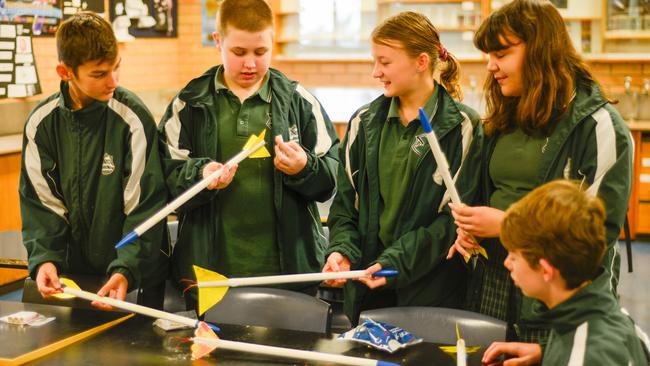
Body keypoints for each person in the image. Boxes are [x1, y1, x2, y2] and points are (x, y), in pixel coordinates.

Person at [449, 0, 633, 343]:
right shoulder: (504, 116)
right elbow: (485, 193)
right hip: (496, 281)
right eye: (488, 55)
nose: (490, 66)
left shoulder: (599, 126)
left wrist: (506, 225)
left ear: (540, 51)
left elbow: (597, 234)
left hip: (560, 295)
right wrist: (470, 229)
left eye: (501, 54)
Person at [158, 0, 339, 310]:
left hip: (289, 274)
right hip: (210, 274)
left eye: (261, 52)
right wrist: (200, 176)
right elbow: (165, 178)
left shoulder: (300, 101)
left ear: (272, 41)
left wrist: (304, 168)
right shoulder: (188, 103)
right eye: (239, 53)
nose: (250, 64)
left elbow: (331, 179)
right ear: (218, 41)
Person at [322, 11, 483, 324]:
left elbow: (452, 223)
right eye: (374, 61)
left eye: (385, 62)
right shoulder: (363, 123)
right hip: (369, 290)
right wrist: (341, 252)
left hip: (431, 295)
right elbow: (344, 208)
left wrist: (395, 262)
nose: (375, 72)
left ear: (421, 62)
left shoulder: (464, 128)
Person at [19, 12, 168, 310]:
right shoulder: (41, 124)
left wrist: (125, 268)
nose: (112, 81)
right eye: (99, 74)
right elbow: (42, 205)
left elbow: (145, 207)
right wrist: (45, 259)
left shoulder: (133, 120)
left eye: (116, 68)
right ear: (65, 72)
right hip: (73, 279)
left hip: (134, 277)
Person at [481, 180, 650, 365]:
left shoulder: (586, 355)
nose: (507, 263)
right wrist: (545, 353)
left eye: (513, 256)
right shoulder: (618, 319)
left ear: (546, 271)